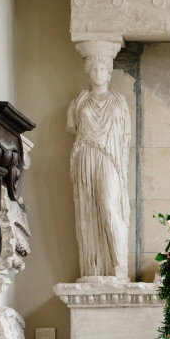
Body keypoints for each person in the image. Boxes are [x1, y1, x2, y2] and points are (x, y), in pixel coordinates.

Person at [67, 55, 131, 280]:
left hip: (109, 157)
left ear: (109, 72)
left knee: (108, 205)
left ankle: (119, 264)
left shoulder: (118, 101)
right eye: (94, 69)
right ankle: (93, 267)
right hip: (86, 155)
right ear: (88, 72)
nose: (98, 73)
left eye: (102, 68)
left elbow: (125, 138)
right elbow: (73, 128)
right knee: (88, 208)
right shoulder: (79, 102)